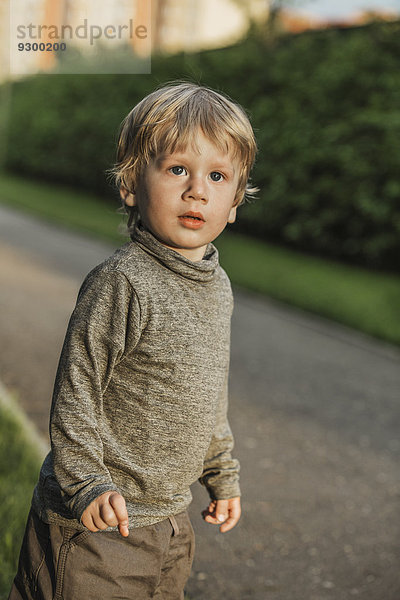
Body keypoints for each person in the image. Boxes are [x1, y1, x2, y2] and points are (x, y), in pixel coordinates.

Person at [9, 81, 258, 600]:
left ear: (234, 201)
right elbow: (77, 391)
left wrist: (222, 472)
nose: (197, 190)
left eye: (217, 176)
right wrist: (85, 484)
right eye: (177, 170)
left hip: (170, 522)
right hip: (97, 524)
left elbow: (209, 393)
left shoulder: (218, 287)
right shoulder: (122, 282)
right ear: (130, 184)